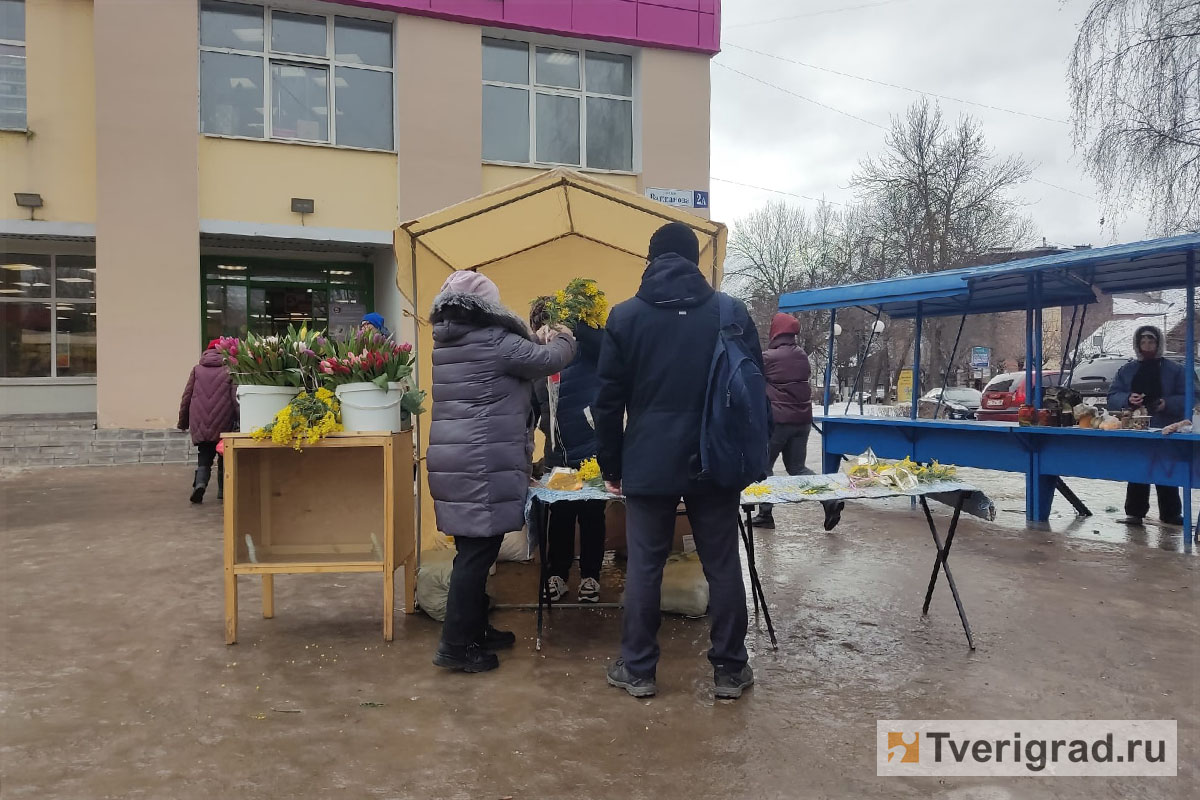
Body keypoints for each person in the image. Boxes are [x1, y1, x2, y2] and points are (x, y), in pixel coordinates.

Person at [594, 221, 762, 700]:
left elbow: (609, 402)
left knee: (646, 566)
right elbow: (753, 389)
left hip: (647, 458)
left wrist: (612, 466)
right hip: (717, 456)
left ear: (651, 261)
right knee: (722, 563)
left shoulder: (625, 318)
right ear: (694, 262)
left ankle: (639, 669)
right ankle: (730, 669)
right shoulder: (730, 312)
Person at [426, 270, 576, 673]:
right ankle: (456, 646)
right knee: (476, 556)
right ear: (487, 307)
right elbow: (551, 359)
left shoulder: (450, 342)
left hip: (457, 461)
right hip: (479, 463)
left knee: (475, 551)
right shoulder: (495, 342)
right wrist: (561, 334)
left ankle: (475, 629)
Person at [750, 313, 844, 531]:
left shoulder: (768, 358)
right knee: (798, 468)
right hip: (802, 422)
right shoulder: (802, 355)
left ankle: (765, 514)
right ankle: (830, 500)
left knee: (764, 468)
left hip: (778, 422)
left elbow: (752, 378)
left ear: (775, 332)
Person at [543, 299, 608, 604]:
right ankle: (557, 575)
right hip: (561, 455)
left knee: (593, 513)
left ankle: (591, 576)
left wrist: (578, 325)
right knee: (561, 515)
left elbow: (607, 342)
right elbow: (539, 400)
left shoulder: (590, 349)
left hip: (591, 451)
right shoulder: (548, 356)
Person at [1108, 325, 1187, 525]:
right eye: (1142, 341)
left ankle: (1171, 514)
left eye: (1151, 341)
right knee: (1138, 468)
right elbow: (1112, 395)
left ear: (1158, 343)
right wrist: (1127, 399)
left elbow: (1190, 397)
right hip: (1136, 428)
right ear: (1137, 344)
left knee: (1166, 470)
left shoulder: (1174, 370)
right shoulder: (1127, 370)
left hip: (1165, 428)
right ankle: (1135, 513)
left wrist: (1166, 403)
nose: (1147, 345)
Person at [177, 339, 238, 504]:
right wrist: (240, 418)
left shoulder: (197, 370)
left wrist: (183, 422)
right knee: (224, 456)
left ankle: (200, 484)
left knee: (204, 455)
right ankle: (222, 491)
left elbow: (186, 397)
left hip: (201, 420)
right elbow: (235, 398)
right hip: (224, 419)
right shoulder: (230, 369)